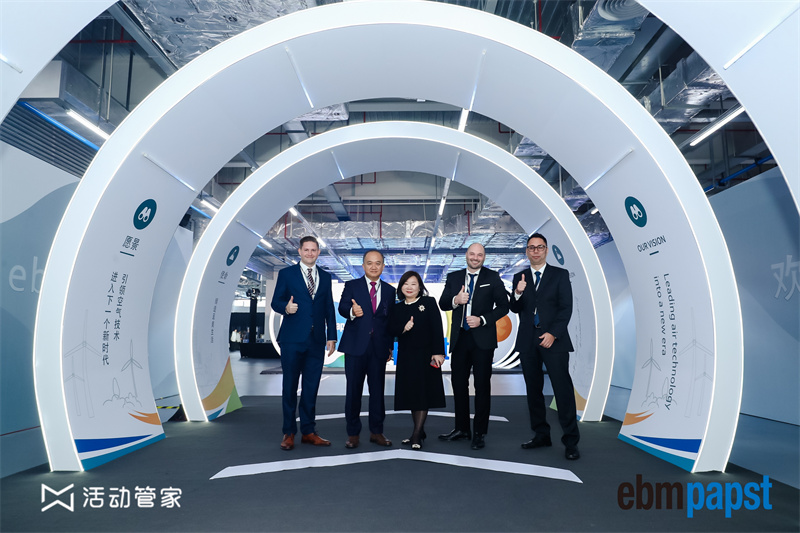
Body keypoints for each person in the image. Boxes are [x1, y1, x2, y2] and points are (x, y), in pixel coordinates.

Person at [510, 233, 580, 460]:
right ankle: (541, 435)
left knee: (562, 390)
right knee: (533, 391)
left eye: (540, 247)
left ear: (546, 250)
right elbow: (514, 308)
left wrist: (553, 333)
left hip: (554, 340)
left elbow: (566, 308)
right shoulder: (519, 277)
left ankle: (571, 442)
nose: (536, 251)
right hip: (528, 340)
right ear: (527, 251)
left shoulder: (560, 275)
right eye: (531, 247)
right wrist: (518, 292)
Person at [438, 243, 509, 450]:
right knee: (458, 385)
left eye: (479, 255)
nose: (475, 258)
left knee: (482, 386)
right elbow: (443, 303)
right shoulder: (454, 277)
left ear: (484, 257)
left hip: (483, 341)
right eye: (472, 254)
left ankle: (479, 432)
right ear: (466, 255)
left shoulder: (492, 277)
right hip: (460, 339)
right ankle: (462, 429)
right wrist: (455, 300)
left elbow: (504, 306)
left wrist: (483, 320)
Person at [270, 236, 337, 451]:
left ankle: (308, 432)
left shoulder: (325, 277)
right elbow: (275, 301)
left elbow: (328, 308)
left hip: (316, 341)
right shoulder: (286, 274)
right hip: (292, 339)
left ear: (318, 252)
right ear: (299, 251)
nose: (309, 253)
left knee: (311, 387)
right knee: (289, 386)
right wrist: (285, 308)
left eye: (313, 250)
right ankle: (289, 432)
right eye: (306, 249)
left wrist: (332, 335)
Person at [337, 250, 395, 449]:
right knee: (353, 391)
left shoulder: (390, 291)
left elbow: (389, 321)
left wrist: (389, 346)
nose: (373, 266)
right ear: (363, 266)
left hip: (378, 349)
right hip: (355, 347)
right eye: (369, 263)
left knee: (377, 392)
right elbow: (342, 307)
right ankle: (353, 433)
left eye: (378, 263)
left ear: (383, 266)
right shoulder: (351, 286)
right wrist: (351, 311)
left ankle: (376, 432)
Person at [388, 271, 446, 450]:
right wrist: (403, 328)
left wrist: (439, 352)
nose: (409, 287)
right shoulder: (397, 307)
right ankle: (419, 430)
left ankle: (416, 434)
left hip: (426, 356)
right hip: (406, 357)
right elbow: (391, 329)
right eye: (406, 284)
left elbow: (437, 327)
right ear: (401, 287)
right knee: (413, 394)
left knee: (423, 394)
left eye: (413, 284)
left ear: (420, 287)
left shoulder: (428, 302)